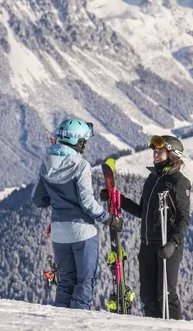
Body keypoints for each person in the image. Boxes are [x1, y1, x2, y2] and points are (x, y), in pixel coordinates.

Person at [32, 118, 124, 310]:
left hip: (59, 233)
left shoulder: (46, 164)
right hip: (82, 233)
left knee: (65, 283)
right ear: (78, 142)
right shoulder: (81, 165)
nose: (85, 146)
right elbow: (88, 204)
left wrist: (57, 197)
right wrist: (110, 220)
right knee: (84, 282)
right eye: (84, 141)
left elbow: (38, 199)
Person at [100, 134, 191, 320]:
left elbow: (183, 218)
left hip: (168, 246)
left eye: (160, 152)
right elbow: (142, 211)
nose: (155, 155)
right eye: (155, 152)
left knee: (166, 294)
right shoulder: (152, 179)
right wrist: (119, 200)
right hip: (147, 245)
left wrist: (173, 243)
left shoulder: (178, 182)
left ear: (172, 155)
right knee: (148, 296)